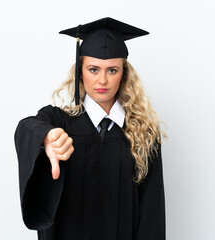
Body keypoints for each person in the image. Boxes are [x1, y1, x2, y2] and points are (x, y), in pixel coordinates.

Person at [14, 17, 167, 240]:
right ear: (80, 72)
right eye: (93, 69)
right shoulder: (59, 122)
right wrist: (47, 138)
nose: (102, 80)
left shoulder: (144, 135)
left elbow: (151, 217)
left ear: (123, 73)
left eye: (112, 70)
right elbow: (27, 126)